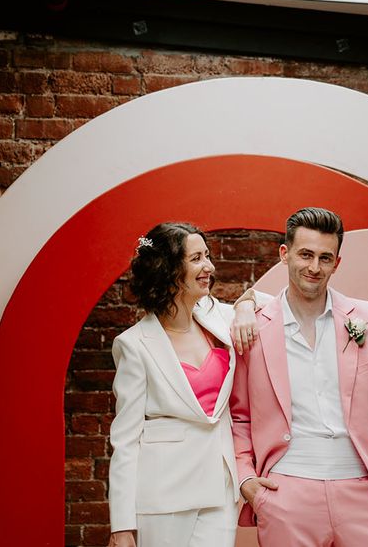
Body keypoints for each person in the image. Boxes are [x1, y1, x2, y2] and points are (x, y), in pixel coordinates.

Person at [230, 207, 368, 547]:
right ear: (284, 255)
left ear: (337, 263)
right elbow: (239, 416)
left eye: (325, 258)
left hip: (365, 493)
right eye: (305, 255)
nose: (314, 268)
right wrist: (246, 480)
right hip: (286, 493)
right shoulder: (253, 326)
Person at [107, 222, 264, 547]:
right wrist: (122, 525)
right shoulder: (134, 345)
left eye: (207, 256)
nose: (208, 266)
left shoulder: (221, 318)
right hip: (162, 494)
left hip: (219, 490)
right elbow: (125, 440)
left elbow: (275, 303)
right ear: (169, 269)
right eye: (196, 259)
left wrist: (247, 303)